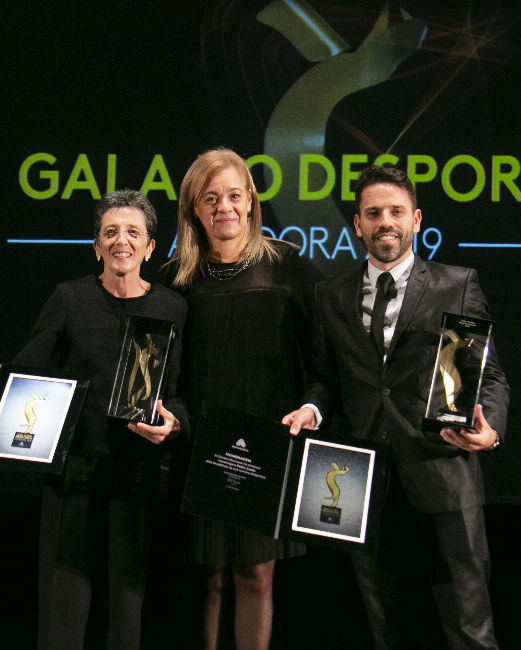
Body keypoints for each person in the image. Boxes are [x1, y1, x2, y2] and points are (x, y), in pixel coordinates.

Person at [283, 165, 510, 649]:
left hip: (442, 470)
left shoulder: (457, 283)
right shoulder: (330, 294)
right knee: (387, 627)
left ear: (416, 219)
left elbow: (487, 375)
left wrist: (490, 431)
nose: (385, 221)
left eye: (396, 211)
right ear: (358, 224)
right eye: (373, 213)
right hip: (359, 479)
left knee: (469, 627)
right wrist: (312, 409)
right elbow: (325, 378)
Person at [0, 189, 188, 650]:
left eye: (133, 232)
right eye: (110, 232)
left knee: (127, 602)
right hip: (73, 469)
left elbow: (179, 392)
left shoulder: (171, 308)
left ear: (150, 247)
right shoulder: (70, 298)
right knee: (64, 600)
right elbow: (23, 374)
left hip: (135, 469)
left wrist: (174, 422)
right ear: (96, 245)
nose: (122, 240)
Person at [166, 147, 322, 650]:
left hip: (268, 446)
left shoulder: (287, 267)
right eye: (210, 198)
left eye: (234, 196)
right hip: (198, 447)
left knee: (256, 574)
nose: (224, 208)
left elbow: (324, 362)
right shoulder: (175, 280)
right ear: (193, 208)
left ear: (252, 201)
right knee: (208, 577)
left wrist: (311, 405)